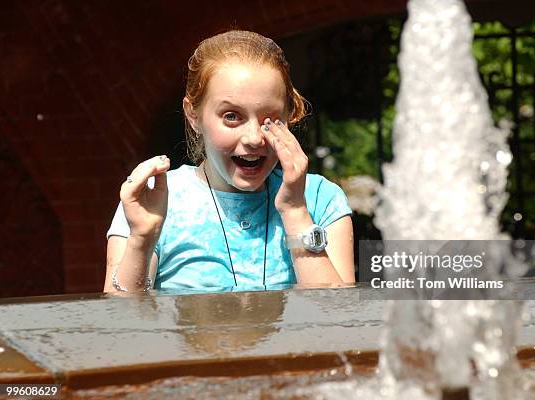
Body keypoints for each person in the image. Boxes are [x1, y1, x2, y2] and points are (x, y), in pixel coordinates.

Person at [103, 30, 355, 292]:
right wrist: (141, 240)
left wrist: (295, 212)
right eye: (232, 116)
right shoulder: (155, 201)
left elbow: (338, 319)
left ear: (290, 114)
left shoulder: (320, 199)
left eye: (271, 119)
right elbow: (122, 326)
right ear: (194, 115)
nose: (254, 138)